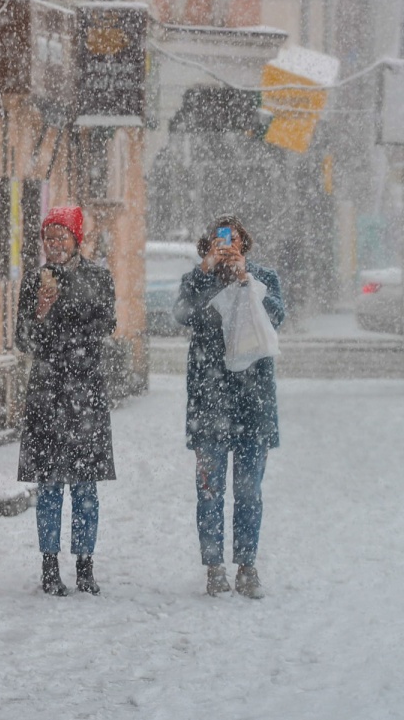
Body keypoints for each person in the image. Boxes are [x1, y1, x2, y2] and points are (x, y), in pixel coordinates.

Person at [173, 215, 285, 598]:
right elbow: (183, 316)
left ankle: (247, 565)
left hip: (254, 404)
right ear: (208, 246)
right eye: (220, 241)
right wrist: (207, 274)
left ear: (245, 245)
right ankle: (214, 566)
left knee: (249, 490)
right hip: (209, 402)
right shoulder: (196, 280)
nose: (227, 247)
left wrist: (244, 281)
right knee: (210, 490)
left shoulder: (262, 277)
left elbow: (276, 319)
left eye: (234, 241)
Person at [16, 206, 117, 596]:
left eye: (62, 238)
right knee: (50, 485)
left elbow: (105, 323)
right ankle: (48, 565)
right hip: (46, 391)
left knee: (85, 487)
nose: (54, 246)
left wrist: (68, 310)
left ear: (77, 239)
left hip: (85, 392)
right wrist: (40, 313)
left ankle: (85, 565)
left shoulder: (98, 277)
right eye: (48, 239)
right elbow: (23, 339)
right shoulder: (32, 281)